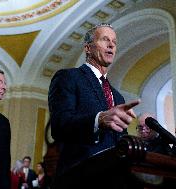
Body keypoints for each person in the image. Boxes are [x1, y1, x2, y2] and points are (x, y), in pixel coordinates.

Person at [48, 23, 140, 189]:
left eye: (114, 42)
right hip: (79, 177)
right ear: (88, 48)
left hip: (116, 179)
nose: (111, 44)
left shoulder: (117, 96)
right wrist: (99, 119)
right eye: (105, 40)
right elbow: (59, 125)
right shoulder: (68, 77)